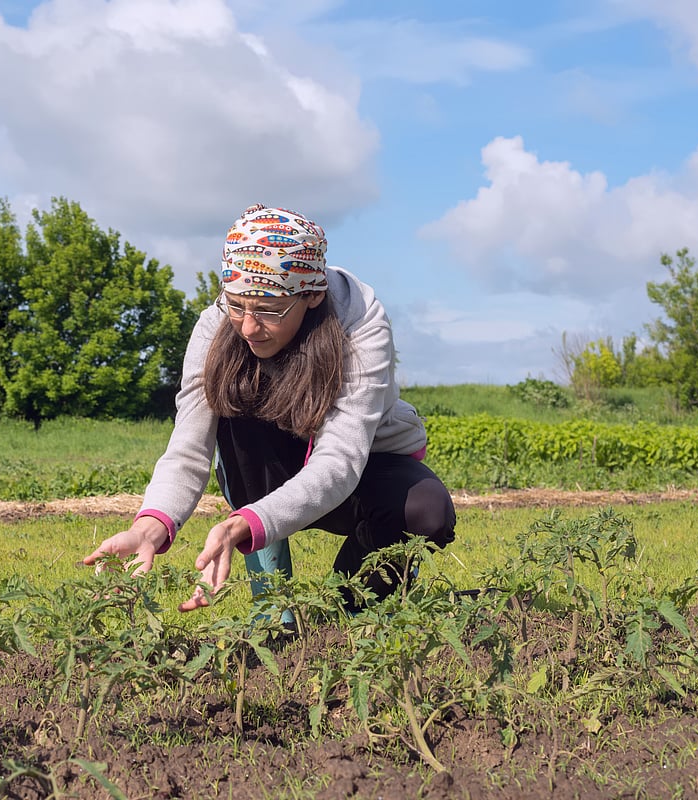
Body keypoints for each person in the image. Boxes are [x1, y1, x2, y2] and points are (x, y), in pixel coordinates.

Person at [82, 203, 456, 613]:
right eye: (237, 305)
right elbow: (188, 446)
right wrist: (150, 527)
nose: (247, 327)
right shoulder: (215, 328)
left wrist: (242, 525)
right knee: (234, 400)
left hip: (364, 463)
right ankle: (275, 614)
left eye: (268, 311)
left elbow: (339, 462)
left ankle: (352, 610)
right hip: (267, 466)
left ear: (312, 296)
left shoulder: (360, 324)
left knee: (428, 512)